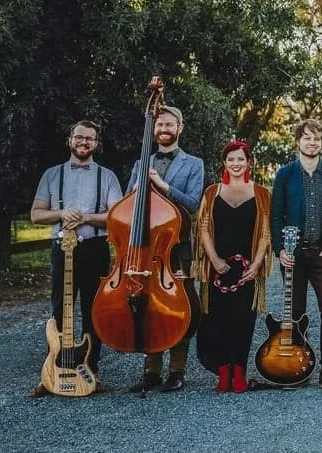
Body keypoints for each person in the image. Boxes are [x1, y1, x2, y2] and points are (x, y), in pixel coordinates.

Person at [30, 120, 123, 393]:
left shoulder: (107, 176)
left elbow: (116, 217)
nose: (84, 142)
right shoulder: (52, 174)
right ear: (70, 140)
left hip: (94, 249)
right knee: (60, 308)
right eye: (79, 137)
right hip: (62, 248)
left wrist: (86, 217)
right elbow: (36, 214)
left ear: (96, 144)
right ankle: (54, 371)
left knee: (95, 309)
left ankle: (90, 371)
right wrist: (62, 214)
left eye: (90, 139)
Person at [127, 106, 205, 393]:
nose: (163, 128)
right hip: (145, 248)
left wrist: (162, 185)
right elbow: (125, 204)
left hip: (177, 246)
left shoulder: (193, 163)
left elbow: (194, 203)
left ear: (180, 127)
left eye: (169, 124)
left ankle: (177, 369)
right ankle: (151, 370)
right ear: (154, 127)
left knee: (179, 306)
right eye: (159, 124)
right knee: (147, 305)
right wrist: (135, 191)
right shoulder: (141, 163)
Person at [271, 119, 322, 393]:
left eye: (317, 139)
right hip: (293, 255)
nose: (312, 143)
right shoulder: (285, 175)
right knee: (296, 311)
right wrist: (280, 249)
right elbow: (276, 216)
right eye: (307, 138)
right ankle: (299, 369)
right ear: (298, 142)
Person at [194, 140, 272, 393]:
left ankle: (239, 373)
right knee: (218, 320)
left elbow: (265, 233)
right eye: (231, 159)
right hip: (218, 268)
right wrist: (215, 260)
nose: (236, 164)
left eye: (241, 159)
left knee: (243, 320)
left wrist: (257, 264)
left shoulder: (261, 193)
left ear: (249, 163)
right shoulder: (212, 192)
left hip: (248, 269)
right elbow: (203, 228)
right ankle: (223, 373)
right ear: (224, 163)